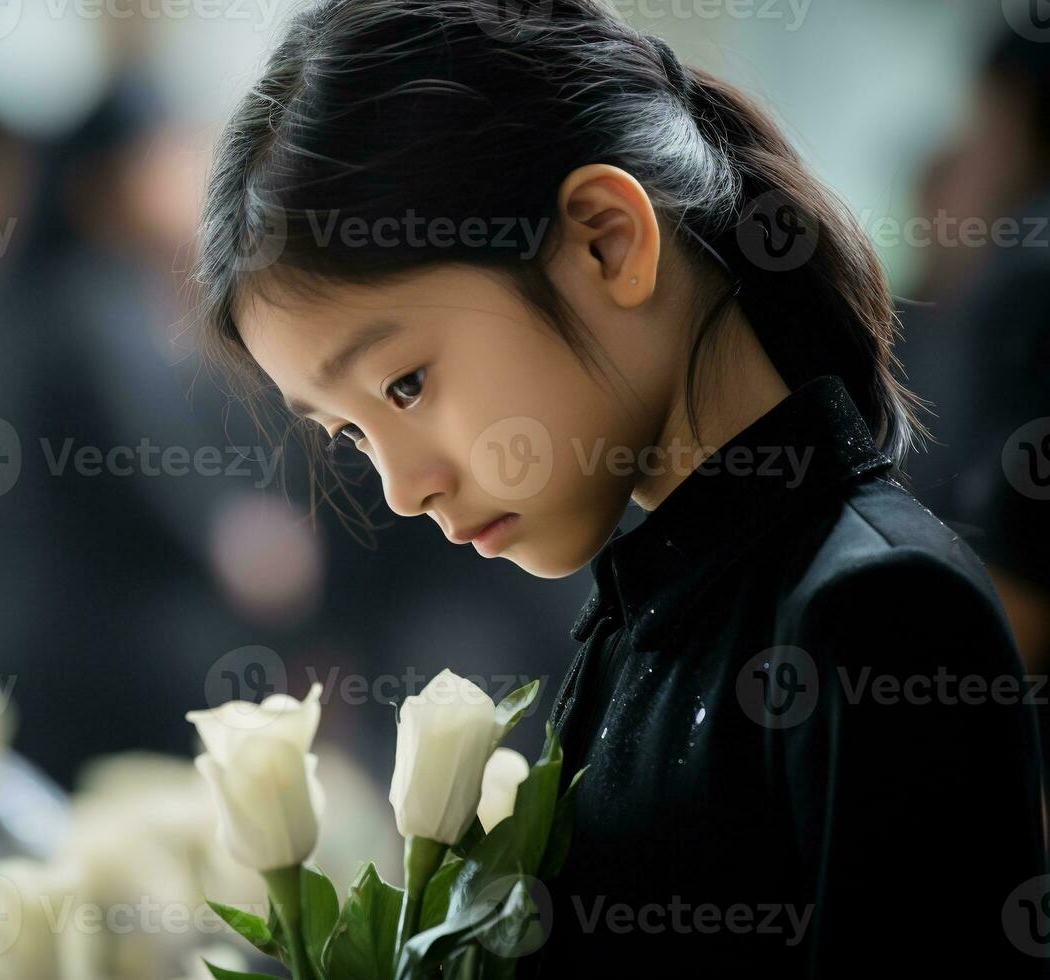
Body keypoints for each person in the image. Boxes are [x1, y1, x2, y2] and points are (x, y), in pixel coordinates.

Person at [187, 0, 1048, 974]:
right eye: (349, 432)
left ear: (607, 240)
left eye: (408, 383)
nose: (401, 486)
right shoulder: (640, 613)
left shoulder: (875, 610)